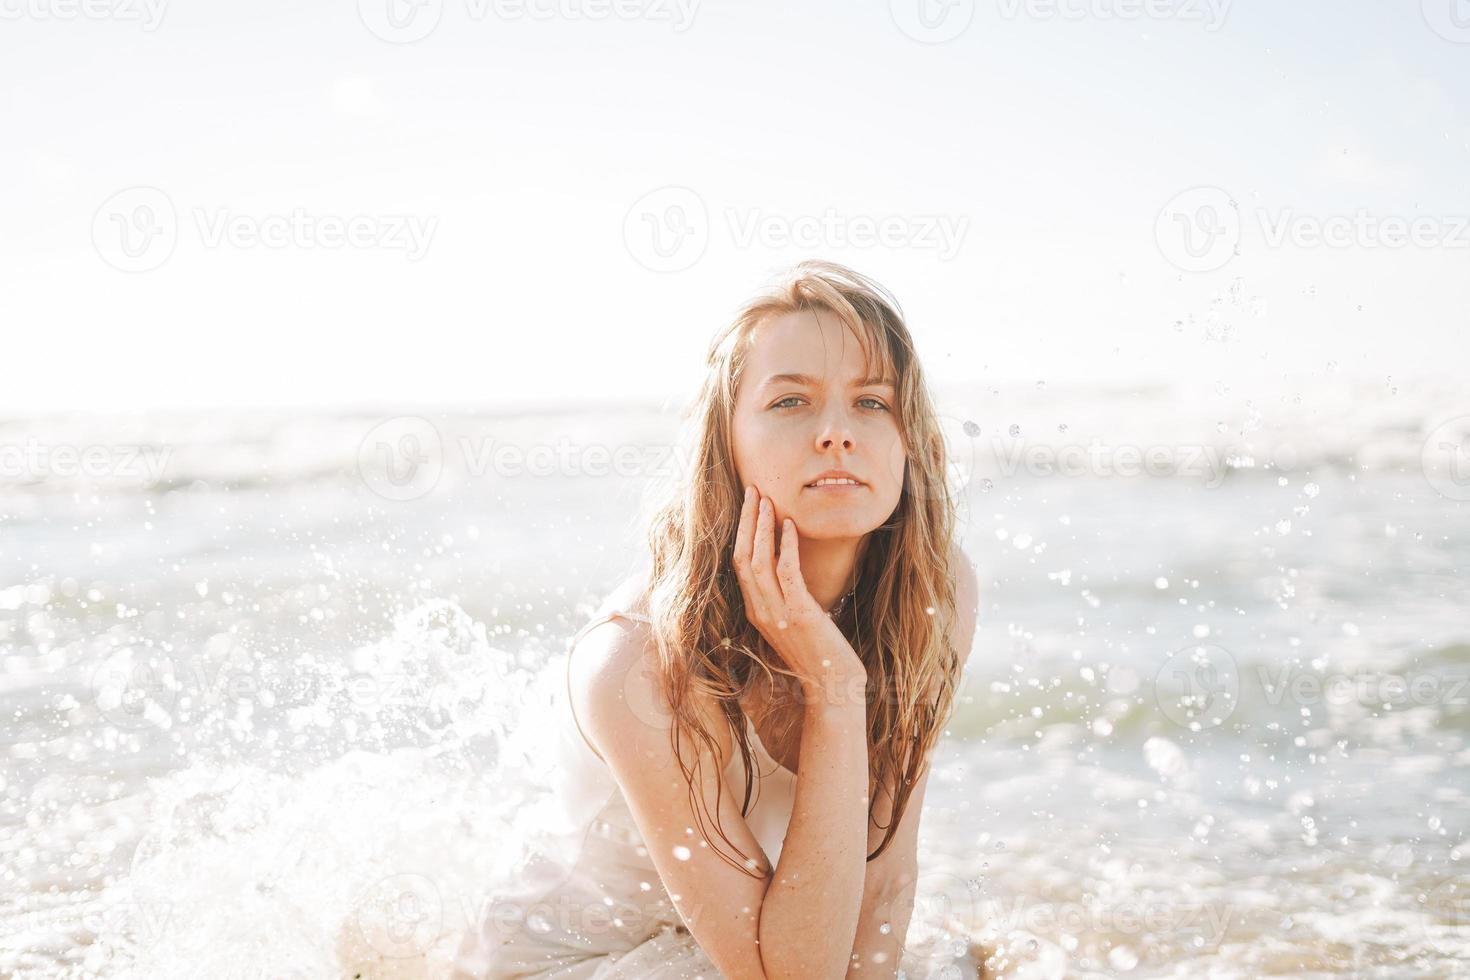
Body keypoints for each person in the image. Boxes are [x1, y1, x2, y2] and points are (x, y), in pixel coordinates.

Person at [452, 260, 984, 979]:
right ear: (724, 443)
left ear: (909, 439)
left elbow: (883, 883)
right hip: (579, 961)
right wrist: (833, 685)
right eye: (791, 402)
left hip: (761, 940)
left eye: (873, 403)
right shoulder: (637, 659)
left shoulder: (934, 591)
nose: (836, 433)